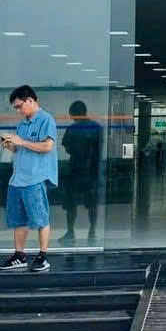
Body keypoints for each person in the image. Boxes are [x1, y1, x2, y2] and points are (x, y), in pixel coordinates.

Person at [0, 85, 58, 272]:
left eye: (19, 106)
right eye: (15, 108)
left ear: (30, 100)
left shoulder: (46, 120)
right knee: (18, 220)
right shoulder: (22, 124)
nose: (18, 110)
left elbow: (48, 146)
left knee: (41, 218)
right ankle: (19, 255)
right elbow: (19, 148)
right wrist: (9, 144)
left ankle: (42, 257)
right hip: (17, 179)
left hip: (35, 178)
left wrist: (21, 141)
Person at [59, 100, 102, 245]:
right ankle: (92, 231)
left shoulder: (72, 129)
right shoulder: (97, 127)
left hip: (75, 169)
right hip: (92, 170)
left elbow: (67, 148)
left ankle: (70, 232)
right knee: (92, 203)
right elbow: (99, 149)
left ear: (73, 114)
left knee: (71, 203)